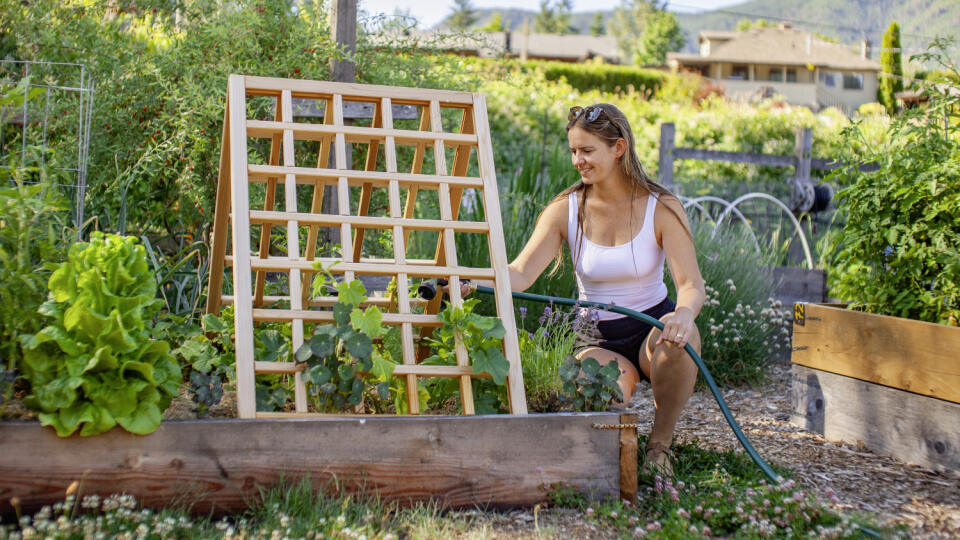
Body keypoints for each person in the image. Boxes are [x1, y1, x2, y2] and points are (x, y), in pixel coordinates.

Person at [453, 103, 705, 478]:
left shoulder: (660, 207)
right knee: (592, 395)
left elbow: (691, 285)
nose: (578, 161)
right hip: (597, 336)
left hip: (652, 325)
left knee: (679, 345)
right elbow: (520, 273)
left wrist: (683, 315)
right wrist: (471, 279)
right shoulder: (565, 210)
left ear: (618, 148)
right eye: (573, 151)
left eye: (587, 151)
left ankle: (660, 445)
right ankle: (613, 450)